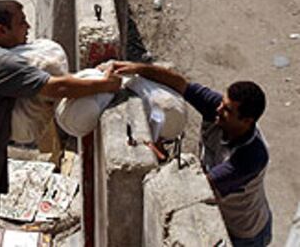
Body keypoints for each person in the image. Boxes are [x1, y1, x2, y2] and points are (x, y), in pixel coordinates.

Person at [0, 0, 121, 247]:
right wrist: (106, 84)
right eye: (21, 22)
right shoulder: (1, 62)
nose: (28, 26)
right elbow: (56, 87)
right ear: (1, 31)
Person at [112, 61, 272, 247]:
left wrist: (159, 154)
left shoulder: (250, 157)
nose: (219, 109)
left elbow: (199, 185)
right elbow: (181, 84)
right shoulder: (218, 110)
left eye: (227, 110)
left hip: (244, 234)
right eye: (222, 102)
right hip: (223, 211)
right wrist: (138, 68)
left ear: (246, 121)